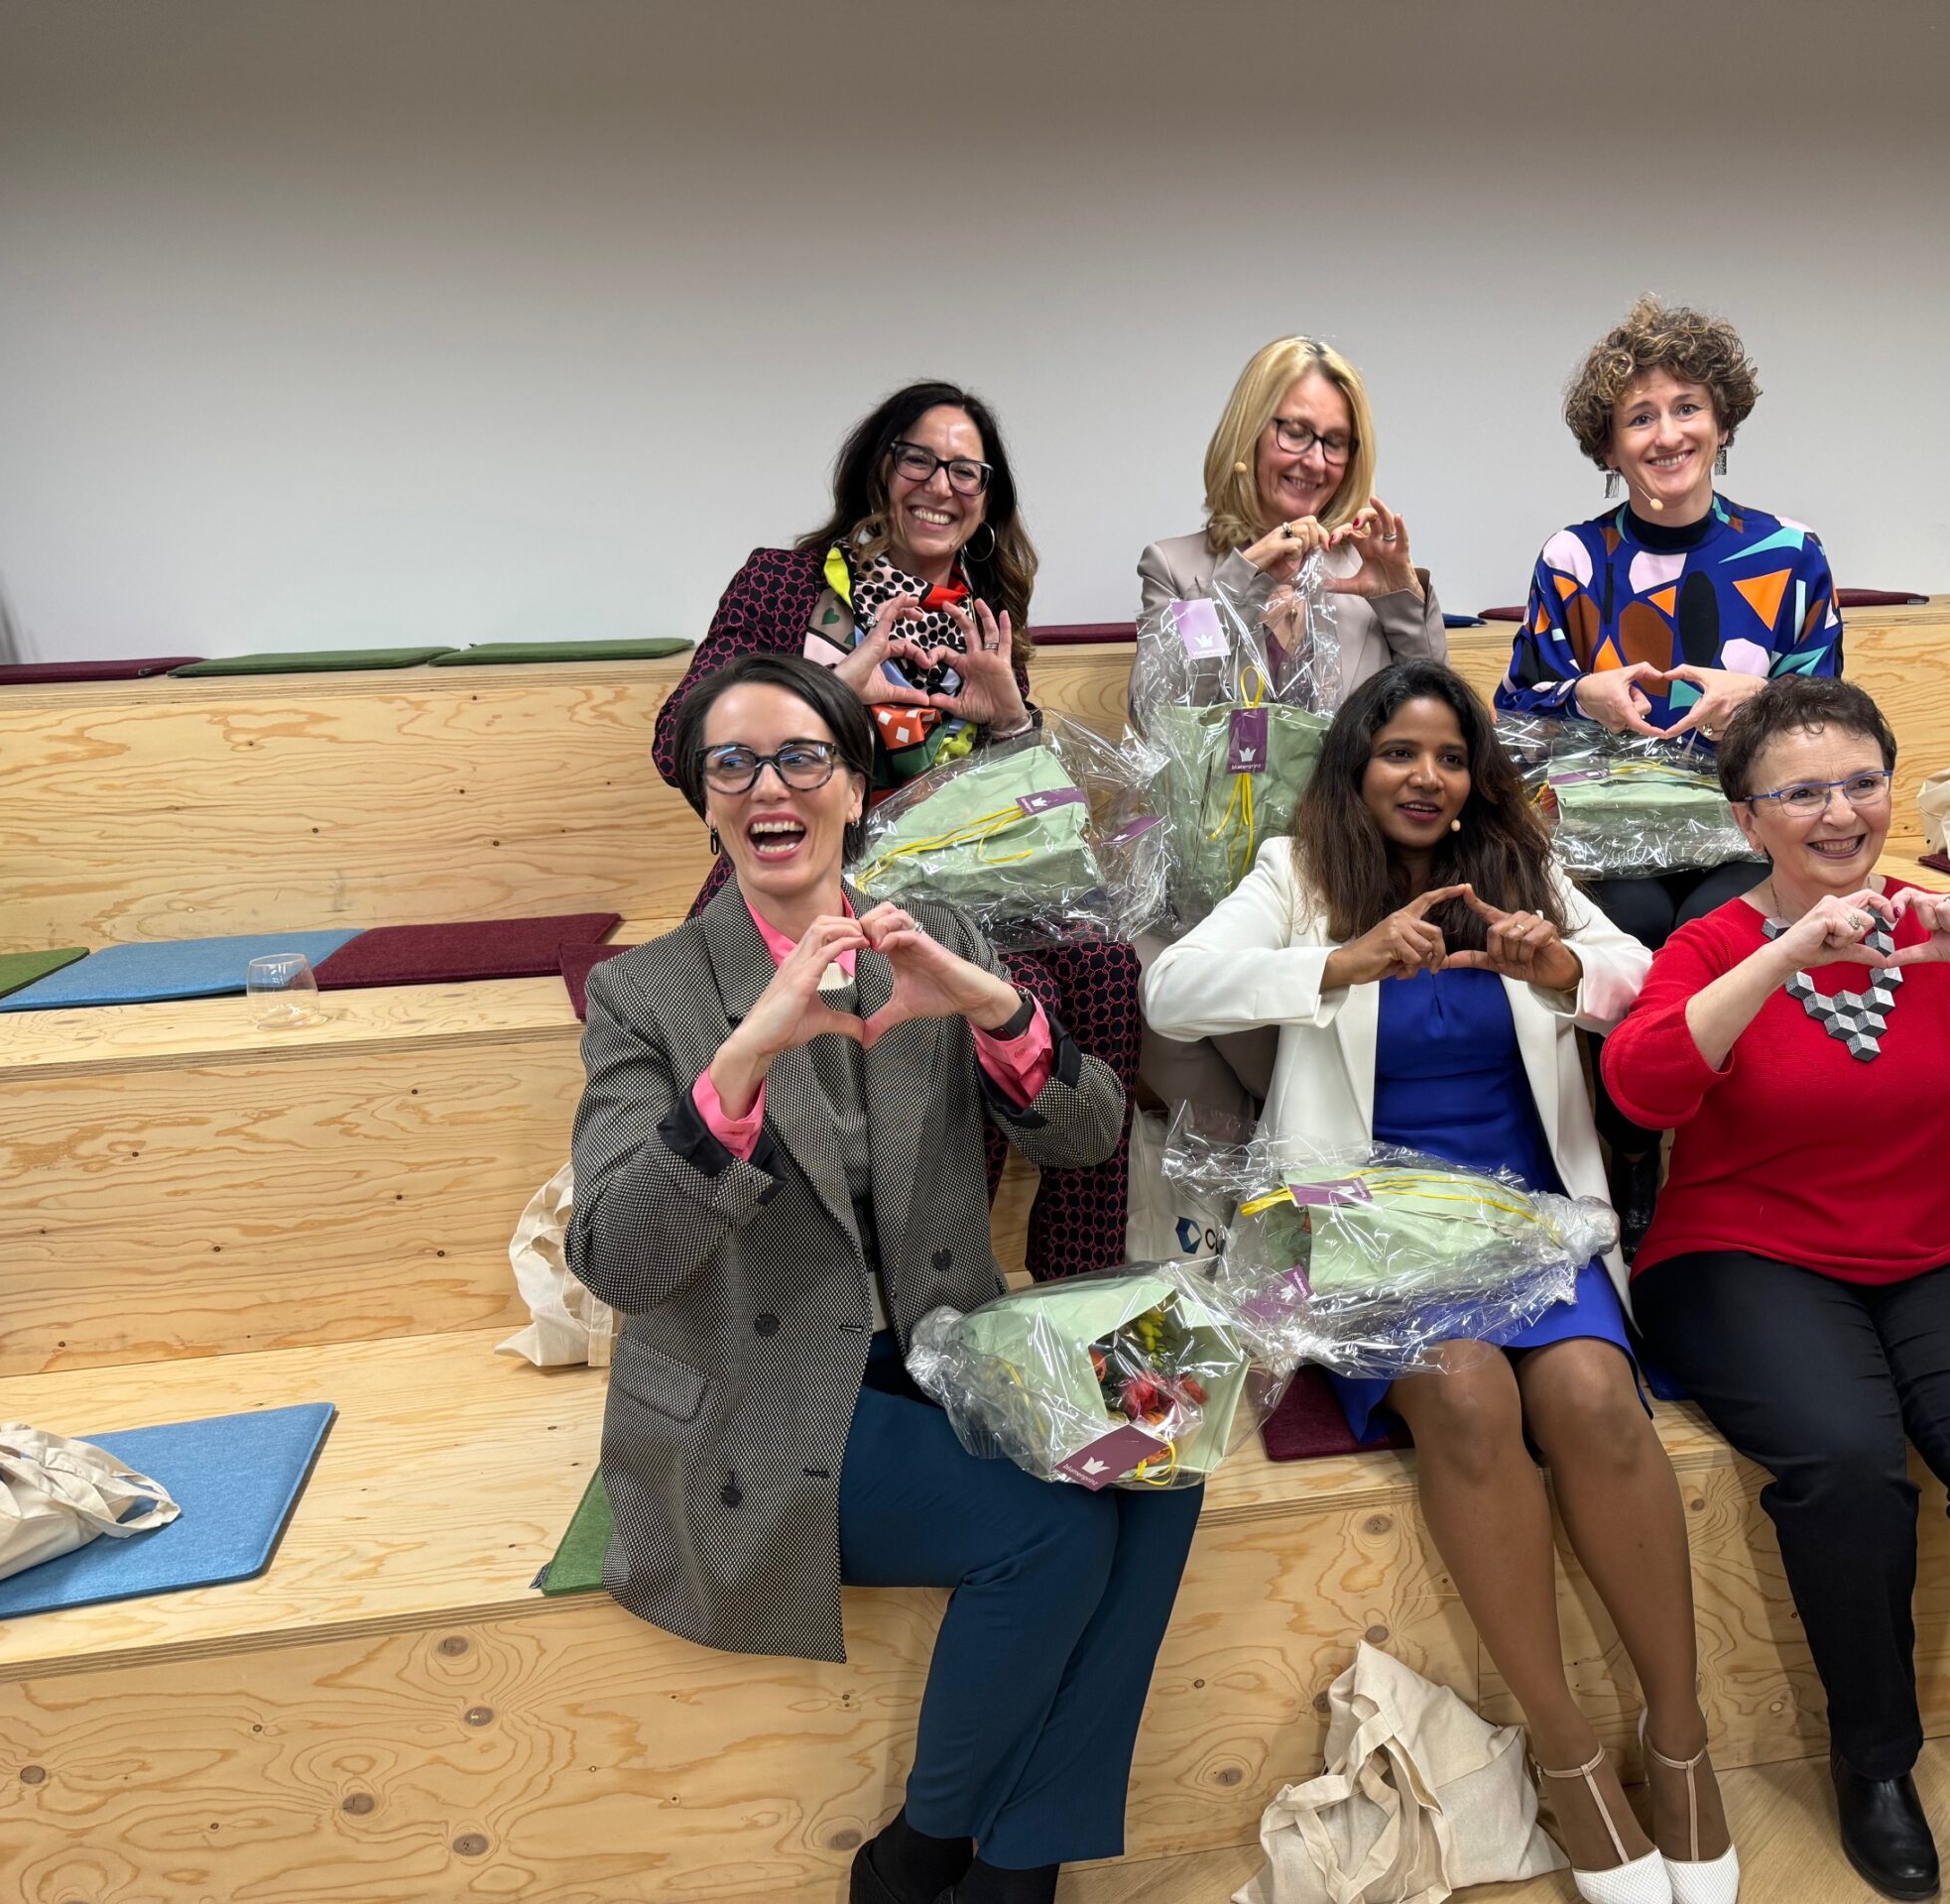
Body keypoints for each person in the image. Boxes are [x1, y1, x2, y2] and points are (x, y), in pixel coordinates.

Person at [577, 653, 1183, 1904]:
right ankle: (931, 1853)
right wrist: (743, 1059)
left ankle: (1009, 1857)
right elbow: (620, 1263)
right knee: (1048, 1530)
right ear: (703, 802)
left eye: (802, 757)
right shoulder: (647, 992)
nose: (767, 787)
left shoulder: (936, 933)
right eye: (730, 764)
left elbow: (1086, 1134)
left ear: (854, 784)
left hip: (944, 1352)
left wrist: (1000, 1012)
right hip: (761, 1394)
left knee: (1168, 1460)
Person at [1146, 658, 1737, 1904]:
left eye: (1450, 757)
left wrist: (1564, 970)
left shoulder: (1523, 873)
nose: (1425, 777)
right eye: (1399, 753)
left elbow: (1647, 980)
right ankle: (1568, 1757)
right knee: (1467, 1399)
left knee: (1586, 1397)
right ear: (1356, 766)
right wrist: (1340, 964)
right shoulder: (1299, 879)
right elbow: (1172, 991)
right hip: (1373, 1231)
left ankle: (1676, 1738)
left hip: (1534, 1223)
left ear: (1478, 779)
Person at [1602, 675, 1950, 1904]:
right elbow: (1643, 1088)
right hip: (1739, 1255)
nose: (1837, 812)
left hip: (1935, 1248)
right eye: (1799, 792)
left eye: (1859, 782)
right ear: (1748, 820)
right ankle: (1874, 1764)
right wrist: (1785, 950)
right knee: (1845, 1461)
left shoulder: (1941, 932)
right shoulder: (1709, 943)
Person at [651, 381, 1141, 1279]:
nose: (941, 485)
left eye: (966, 470)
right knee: (985, 994)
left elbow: (1017, 808)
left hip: (965, 888)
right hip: (810, 886)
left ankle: (1082, 1282)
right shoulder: (786, 582)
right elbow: (676, 740)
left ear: (987, 499)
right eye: (919, 459)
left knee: (1106, 964)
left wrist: (1010, 726)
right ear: (879, 470)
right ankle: (932, 1286)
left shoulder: (979, 605)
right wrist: (830, 697)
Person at [1494, 295, 1846, 1248]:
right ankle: (1631, 1149)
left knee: (1718, 930)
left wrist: (1757, 697)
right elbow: (1510, 710)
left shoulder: (1789, 552)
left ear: (1722, 422)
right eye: (1638, 418)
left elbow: (1832, 722)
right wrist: (1583, 696)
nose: (1665, 434)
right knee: (1639, 933)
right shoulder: (1574, 557)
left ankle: (1724, 1164)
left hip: (1746, 823)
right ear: (1608, 447)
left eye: (1686, 408)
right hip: (1606, 835)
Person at [1135, 336, 1448, 1122]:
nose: (1314, 460)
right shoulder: (1179, 568)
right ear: (1249, 439)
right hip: (1216, 872)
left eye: (1335, 442)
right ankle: (1234, 1189)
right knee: (1159, 962)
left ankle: (1304, 1147)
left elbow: (1434, 713)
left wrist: (1399, 596)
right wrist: (1240, 584)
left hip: (1340, 862)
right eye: (1294, 432)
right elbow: (1160, 714)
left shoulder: (1362, 571)